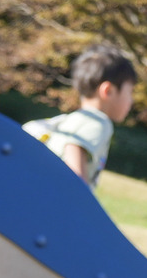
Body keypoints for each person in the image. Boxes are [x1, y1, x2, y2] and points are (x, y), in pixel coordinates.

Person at [22, 44, 138, 188]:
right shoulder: (97, 121)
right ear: (108, 91)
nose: (131, 101)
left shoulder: (71, 120)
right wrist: (80, 201)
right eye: (130, 92)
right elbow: (74, 145)